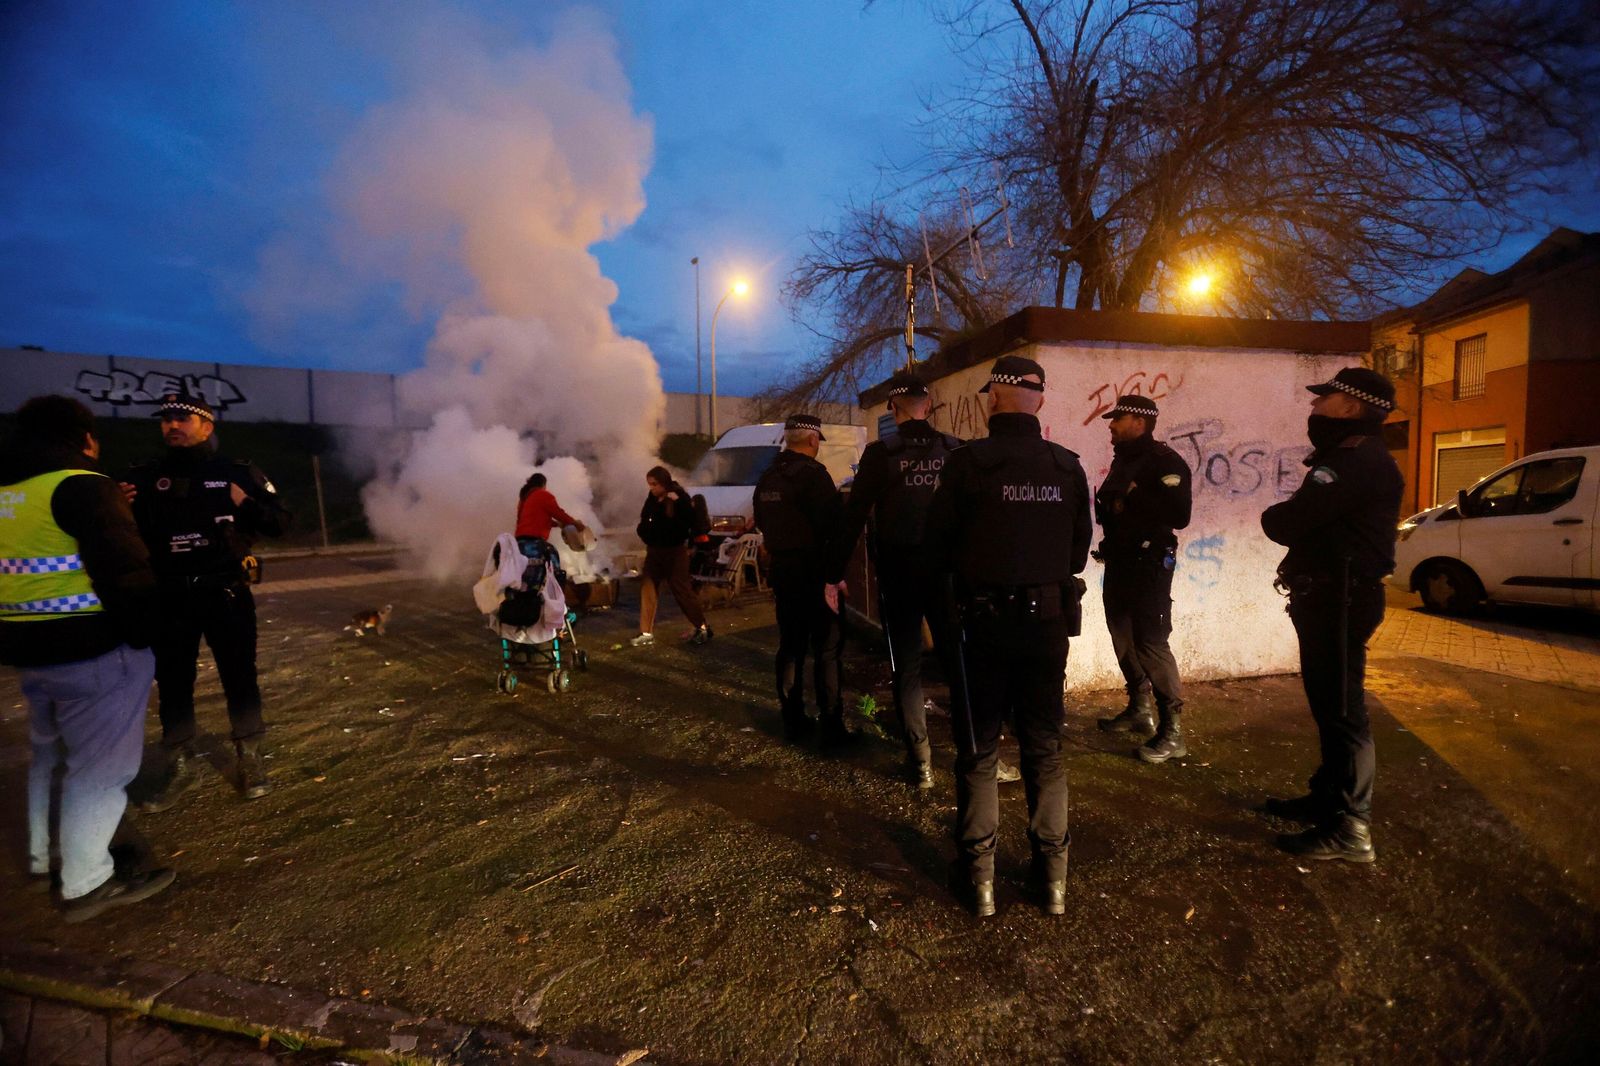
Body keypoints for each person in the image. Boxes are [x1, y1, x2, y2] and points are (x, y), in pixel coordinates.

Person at [924, 355, 1092, 917]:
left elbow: (938, 546)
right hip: (1046, 630)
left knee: (978, 750)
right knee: (1044, 749)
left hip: (985, 628)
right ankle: (1054, 881)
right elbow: (1075, 552)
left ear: (992, 398)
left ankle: (980, 882)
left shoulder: (967, 463)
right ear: (1039, 401)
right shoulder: (1067, 466)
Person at [1, 395, 176, 921]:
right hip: (94, 650)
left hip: (26, 648)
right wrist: (150, 636)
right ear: (84, 437)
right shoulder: (82, 485)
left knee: (48, 757)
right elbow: (127, 573)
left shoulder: (9, 491)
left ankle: (41, 857)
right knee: (101, 770)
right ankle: (86, 881)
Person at [1260, 367, 1403, 863]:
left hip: (1342, 600)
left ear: (1350, 406)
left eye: (1325, 399)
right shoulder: (1354, 458)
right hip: (1330, 598)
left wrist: (1275, 518)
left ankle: (1351, 828)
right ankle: (1327, 797)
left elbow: (1292, 521)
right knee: (1329, 706)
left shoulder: (1353, 462)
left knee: (1344, 712)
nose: (1314, 407)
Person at [123, 391, 290, 809]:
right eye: (166, 419)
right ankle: (179, 762)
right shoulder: (141, 477)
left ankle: (249, 755)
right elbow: (116, 533)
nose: (172, 425)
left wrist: (245, 502)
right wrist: (117, 508)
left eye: (183, 418)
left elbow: (281, 524)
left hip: (225, 593)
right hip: (170, 597)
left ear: (207, 426)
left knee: (239, 676)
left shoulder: (236, 471)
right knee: (174, 682)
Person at [828, 370, 961, 788]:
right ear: (929, 404)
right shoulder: (953, 450)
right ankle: (976, 754)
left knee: (907, 667)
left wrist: (833, 574)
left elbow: (852, 518)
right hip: (947, 574)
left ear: (892, 407)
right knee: (958, 664)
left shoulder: (880, 454)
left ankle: (920, 763)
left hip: (900, 573)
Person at [1093, 395, 1193, 763]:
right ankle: (1140, 708)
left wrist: (1139, 496)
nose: (1110, 425)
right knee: (1120, 633)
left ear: (1138, 421)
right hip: (1120, 561)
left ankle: (1173, 731)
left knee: (1151, 642)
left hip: (1150, 564)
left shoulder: (1165, 462)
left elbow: (1179, 514)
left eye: (1116, 419)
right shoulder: (1126, 461)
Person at [753, 413, 851, 746]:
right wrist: (835, 576)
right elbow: (834, 528)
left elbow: (763, 522)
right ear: (813, 440)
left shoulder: (768, 477)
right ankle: (832, 724)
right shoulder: (813, 476)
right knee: (827, 648)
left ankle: (792, 718)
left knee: (791, 645)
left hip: (783, 571)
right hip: (815, 572)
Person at [632, 465, 712, 647]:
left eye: (654, 484)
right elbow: (644, 518)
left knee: (682, 590)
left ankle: (702, 627)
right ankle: (646, 632)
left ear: (663, 482)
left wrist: (679, 503)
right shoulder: (652, 499)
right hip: (654, 550)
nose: (651, 488)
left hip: (674, 551)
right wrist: (644, 533)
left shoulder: (679, 497)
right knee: (648, 589)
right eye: (649, 484)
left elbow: (689, 521)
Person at [515, 471, 587, 554]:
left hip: (519, 542)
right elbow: (559, 513)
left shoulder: (524, 499)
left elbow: (533, 518)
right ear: (543, 484)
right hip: (534, 541)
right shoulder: (543, 495)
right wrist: (576, 524)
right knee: (552, 557)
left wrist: (556, 524)